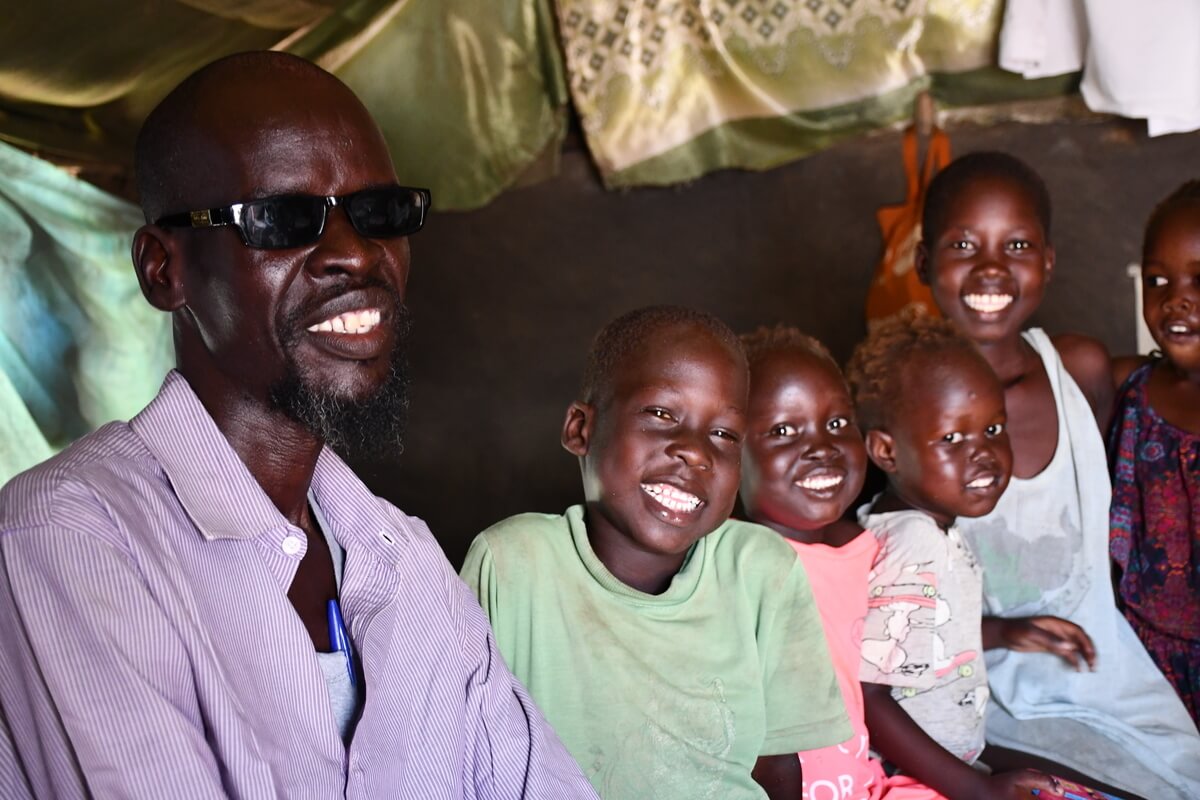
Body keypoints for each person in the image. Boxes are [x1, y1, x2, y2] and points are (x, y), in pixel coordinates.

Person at [0, 51, 596, 799]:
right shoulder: (68, 539)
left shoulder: (406, 561)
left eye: (379, 213)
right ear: (164, 269)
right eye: (281, 218)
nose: (353, 254)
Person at [460, 306, 852, 800]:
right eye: (662, 414)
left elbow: (776, 770)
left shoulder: (761, 570)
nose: (695, 451)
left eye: (723, 434)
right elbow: (460, 751)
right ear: (580, 429)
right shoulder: (514, 563)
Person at [917, 151, 1200, 799]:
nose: (991, 266)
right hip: (977, 684)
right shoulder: (900, 407)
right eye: (964, 244)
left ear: (1048, 262)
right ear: (923, 261)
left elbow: (1169, 381)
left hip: (1107, 670)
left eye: (1016, 244)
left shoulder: (1078, 371)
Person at [844, 313, 1101, 800]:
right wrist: (974, 790)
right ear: (886, 451)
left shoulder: (924, 526)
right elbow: (871, 697)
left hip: (944, 771)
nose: (983, 453)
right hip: (911, 781)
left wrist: (1005, 632)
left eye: (993, 427)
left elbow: (921, 638)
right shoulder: (912, 545)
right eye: (952, 439)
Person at [739, 323, 946, 800]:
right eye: (784, 430)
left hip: (862, 782)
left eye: (836, 424)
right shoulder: (732, 565)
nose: (821, 447)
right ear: (731, 451)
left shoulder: (868, 547)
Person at [1110, 180, 1200, 724]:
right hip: (1144, 658)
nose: (1175, 299)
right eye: (1157, 280)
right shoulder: (1130, 388)